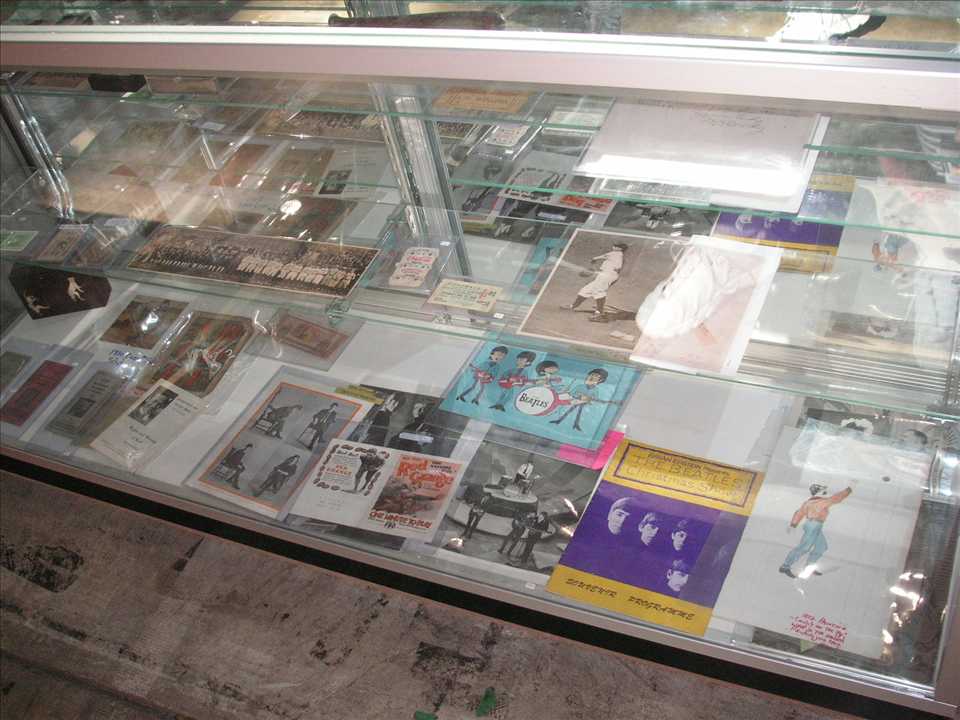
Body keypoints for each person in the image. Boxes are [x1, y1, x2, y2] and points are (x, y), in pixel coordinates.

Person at [779, 483, 852, 578]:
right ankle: (785, 566)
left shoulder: (808, 502)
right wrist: (848, 490)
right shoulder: (820, 502)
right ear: (819, 492)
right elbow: (836, 498)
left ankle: (809, 567)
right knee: (804, 547)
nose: (825, 492)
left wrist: (793, 525)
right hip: (813, 526)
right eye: (823, 491)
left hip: (815, 526)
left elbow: (799, 513)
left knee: (821, 547)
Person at [562, 241, 628, 322]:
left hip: (608, 275)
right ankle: (573, 306)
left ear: (620, 249)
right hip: (606, 275)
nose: (614, 246)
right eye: (614, 245)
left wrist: (594, 259)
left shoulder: (615, 254)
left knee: (599, 291)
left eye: (616, 246)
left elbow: (602, 256)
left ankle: (600, 314)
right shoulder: (618, 256)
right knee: (586, 290)